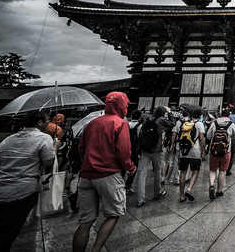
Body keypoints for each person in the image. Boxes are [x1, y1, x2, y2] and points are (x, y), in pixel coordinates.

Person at [72, 91, 136, 252]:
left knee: (85, 221)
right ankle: (96, 250)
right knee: (113, 214)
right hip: (108, 174)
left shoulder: (92, 123)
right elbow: (123, 152)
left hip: (86, 176)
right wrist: (130, 167)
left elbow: (81, 149)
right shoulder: (120, 123)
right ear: (121, 105)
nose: (127, 108)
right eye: (126, 105)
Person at [0, 109, 57, 252]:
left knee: (5, 229)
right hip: (22, 193)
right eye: (47, 120)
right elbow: (48, 161)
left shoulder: (8, 140)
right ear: (39, 122)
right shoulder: (44, 138)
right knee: (5, 236)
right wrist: (55, 147)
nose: (49, 123)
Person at [136, 105, 175, 207]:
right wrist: (170, 112)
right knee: (157, 171)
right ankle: (157, 193)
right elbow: (173, 124)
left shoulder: (147, 119)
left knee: (142, 174)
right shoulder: (161, 120)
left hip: (145, 150)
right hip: (156, 150)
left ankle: (140, 199)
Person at [206, 109, 235, 199]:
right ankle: (219, 191)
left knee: (212, 170)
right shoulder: (231, 124)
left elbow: (208, 136)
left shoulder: (214, 123)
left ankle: (211, 185)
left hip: (213, 151)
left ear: (221, 115)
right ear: (229, 115)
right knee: (222, 171)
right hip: (226, 151)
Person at [176, 109, 205, 202]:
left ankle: (181, 196)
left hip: (184, 151)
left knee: (183, 172)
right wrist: (203, 151)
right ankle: (189, 189)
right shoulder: (200, 124)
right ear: (200, 116)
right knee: (195, 171)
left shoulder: (185, 123)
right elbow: (201, 138)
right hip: (195, 151)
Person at [124, 110, 142, 195]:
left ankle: (121, 182)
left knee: (123, 166)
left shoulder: (126, 124)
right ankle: (128, 185)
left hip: (125, 147)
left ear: (131, 116)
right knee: (135, 166)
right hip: (135, 149)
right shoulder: (140, 126)